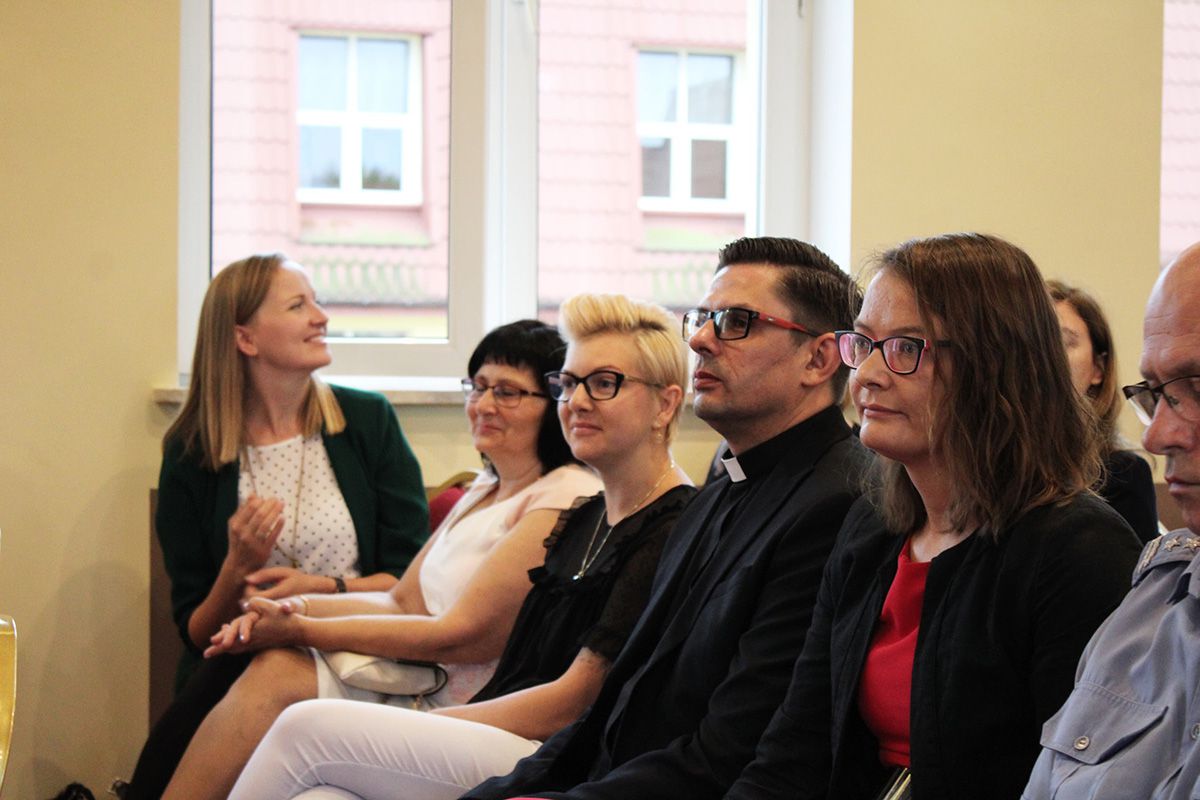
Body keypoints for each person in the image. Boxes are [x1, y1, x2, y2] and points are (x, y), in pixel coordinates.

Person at [226, 292, 698, 799]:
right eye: (568, 383)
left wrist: (431, 723)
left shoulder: (674, 523)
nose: (577, 402)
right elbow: (506, 659)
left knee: (307, 727)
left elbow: (574, 700)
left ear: (665, 404)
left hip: (568, 754)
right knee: (320, 797)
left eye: (604, 384)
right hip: (502, 732)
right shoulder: (586, 515)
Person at [725, 233, 1141, 800]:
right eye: (863, 344)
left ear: (995, 366)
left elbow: (1073, 784)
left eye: (904, 348)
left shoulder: (1079, 550)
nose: (866, 375)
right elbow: (794, 750)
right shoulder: (870, 528)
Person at [463, 236, 871, 800]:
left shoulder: (839, 503)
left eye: (736, 322)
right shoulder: (721, 486)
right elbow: (616, 703)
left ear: (819, 359)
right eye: (703, 319)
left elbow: (728, 754)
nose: (700, 340)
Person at [159, 319, 602, 800]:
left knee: (281, 668)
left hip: (465, 705)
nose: (484, 404)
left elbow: (462, 635)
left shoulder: (563, 494)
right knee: (294, 729)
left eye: (508, 392)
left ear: (554, 403)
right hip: (415, 679)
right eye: (477, 387)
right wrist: (289, 608)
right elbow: (401, 600)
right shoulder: (486, 486)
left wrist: (300, 628)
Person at [125, 253, 429, 799]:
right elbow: (197, 633)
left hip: (356, 655)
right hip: (235, 669)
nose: (321, 317)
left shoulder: (367, 421)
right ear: (245, 338)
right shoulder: (192, 451)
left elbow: (412, 584)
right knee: (240, 672)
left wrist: (320, 589)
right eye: (298, 306)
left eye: (316, 302)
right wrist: (237, 566)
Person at [1022, 242, 1200, 800]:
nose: (1158, 436)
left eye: (1198, 388)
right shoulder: (1151, 602)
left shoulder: (1095, 526)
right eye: (1156, 394)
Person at [1048, 279, 1157, 541]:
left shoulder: (1123, 473)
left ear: (1098, 368)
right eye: (1037, 342)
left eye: (1064, 342)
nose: (1048, 356)